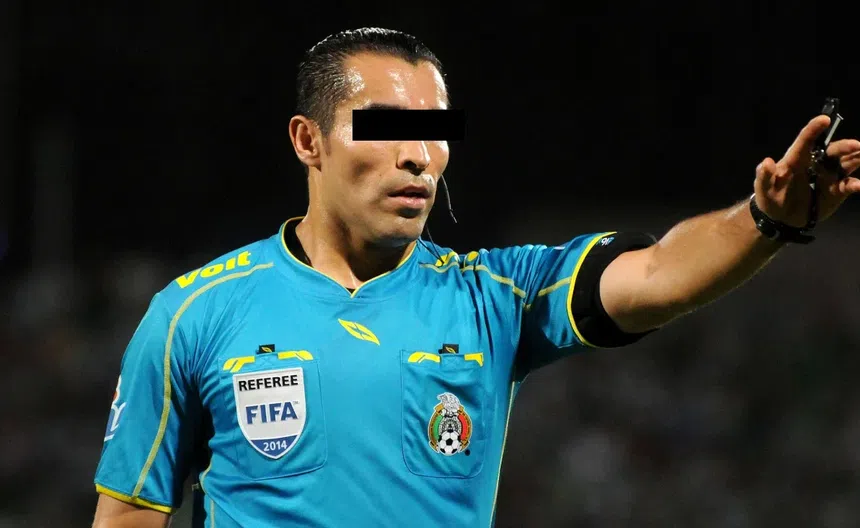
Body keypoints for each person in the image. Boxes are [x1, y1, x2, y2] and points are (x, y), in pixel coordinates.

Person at [91, 27, 860, 528]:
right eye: (385, 127)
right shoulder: (194, 314)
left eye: (434, 131)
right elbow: (127, 518)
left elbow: (659, 273)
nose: (418, 156)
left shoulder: (496, 297)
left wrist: (765, 221)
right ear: (308, 140)